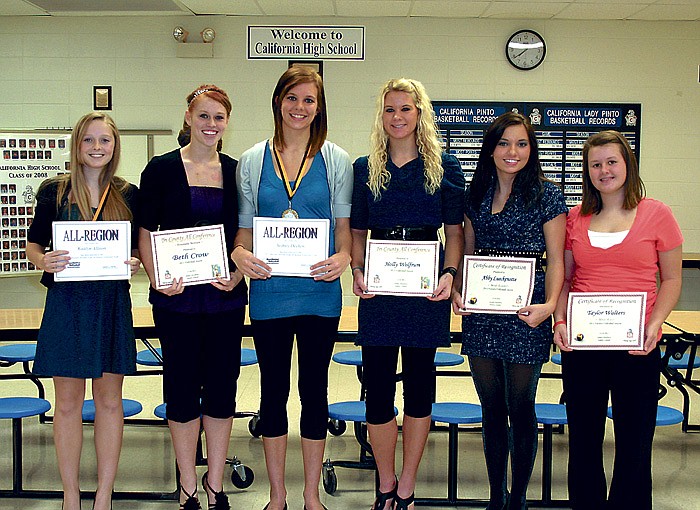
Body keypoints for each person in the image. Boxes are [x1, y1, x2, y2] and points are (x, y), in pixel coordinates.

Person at [231, 66, 352, 510]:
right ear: (278, 101)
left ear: (319, 108)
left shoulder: (336, 159)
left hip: (320, 294)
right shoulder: (252, 159)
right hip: (268, 293)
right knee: (273, 391)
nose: (300, 108)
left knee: (314, 391)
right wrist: (240, 255)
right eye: (292, 98)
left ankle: (311, 495)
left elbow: (344, 231)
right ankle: (277, 495)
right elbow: (243, 229)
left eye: (309, 100)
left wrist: (343, 258)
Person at [552, 130, 683, 510]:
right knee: (584, 438)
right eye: (595, 164)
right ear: (587, 171)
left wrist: (654, 324)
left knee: (635, 440)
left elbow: (672, 278)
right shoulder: (575, 218)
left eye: (612, 162)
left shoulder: (657, 214)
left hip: (637, 345)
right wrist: (560, 321)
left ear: (627, 164)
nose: (604, 170)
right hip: (584, 345)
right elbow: (565, 279)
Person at [350, 78, 465, 510]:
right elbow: (358, 231)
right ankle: (385, 481)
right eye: (389, 110)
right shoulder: (366, 168)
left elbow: (453, 233)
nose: (397, 117)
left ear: (420, 114)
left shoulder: (445, 167)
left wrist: (450, 274)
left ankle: (408, 485)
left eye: (406, 109)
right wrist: (357, 271)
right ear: (381, 116)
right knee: (377, 389)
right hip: (379, 291)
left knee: (420, 388)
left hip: (425, 291)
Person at [138, 84, 247, 510]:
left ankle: (215, 483)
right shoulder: (161, 169)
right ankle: (187, 486)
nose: (211, 124)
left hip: (224, 297)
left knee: (222, 388)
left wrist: (238, 273)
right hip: (176, 299)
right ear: (188, 117)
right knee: (182, 390)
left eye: (219, 117)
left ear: (226, 123)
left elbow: (246, 230)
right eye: (204, 116)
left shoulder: (238, 170)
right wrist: (156, 276)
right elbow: (144, 232)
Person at [452, 112, 567, 510]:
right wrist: (461, 292)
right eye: (503, 143)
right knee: (491, 408)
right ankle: (496, 496)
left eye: (521, 143)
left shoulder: (547, 195)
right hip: (484, 313)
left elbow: (556, 259)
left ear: (531, 149)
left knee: (521, 406)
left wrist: (550, 307)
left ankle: (518, 498)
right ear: (491, 148)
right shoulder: (476, 192)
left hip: (527, 312)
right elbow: (467, 249)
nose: (512, 152)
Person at [26, 112, 141, 510]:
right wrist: (45, 262)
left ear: (114, 146)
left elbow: (138, 249)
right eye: (89, 140)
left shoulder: (128, 193)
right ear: (77, 145)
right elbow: (34, 247)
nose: (96, 148)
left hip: (111, 304)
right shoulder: (54, 192)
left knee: (110, 402)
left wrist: (136, 261)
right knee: (69, 404)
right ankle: (71, 494)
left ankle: (104, 495)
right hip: (68, 305)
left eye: (104, 141)